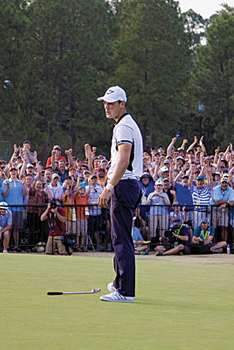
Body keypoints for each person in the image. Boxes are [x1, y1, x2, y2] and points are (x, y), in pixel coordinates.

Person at [97, 86, 143, 303]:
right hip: (127, 185)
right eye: (105, 103)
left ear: (122, 104)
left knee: (122, 240)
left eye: (111, 103)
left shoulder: (123, 127)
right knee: (120, 237)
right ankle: (119, 283)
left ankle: (125, 291)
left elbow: (124, 160)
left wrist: (108, 187)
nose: (107, 107)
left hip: (124, 185)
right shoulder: (124, 124)